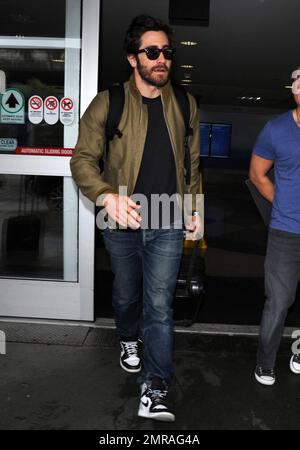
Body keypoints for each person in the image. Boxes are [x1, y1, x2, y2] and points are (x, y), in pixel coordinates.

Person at [70, 15, 201, 421]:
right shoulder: (108, 102)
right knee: (127, 295)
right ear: (133, 58)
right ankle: (128, 337)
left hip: (167, 216)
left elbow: (191, 164)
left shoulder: (184, 102)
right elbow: (82, 160)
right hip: (120, 214)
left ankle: (155, 387)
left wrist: (195, 209)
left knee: (160, 306)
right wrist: (107, 197)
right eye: (152, 52)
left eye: (167, 52)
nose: (162, 59)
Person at [249, 68, 300, 386]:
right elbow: (257, 174)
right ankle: (265, 363)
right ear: (296, 91)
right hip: (286, 232)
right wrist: (282, 204)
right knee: (278, 301)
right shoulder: (276, 129)